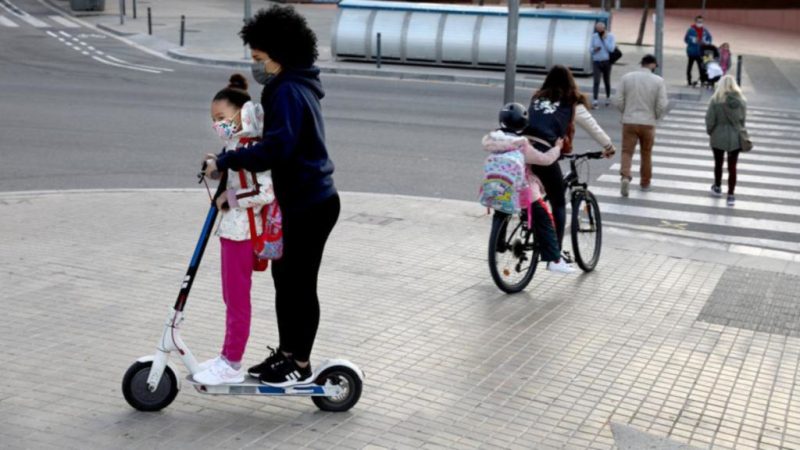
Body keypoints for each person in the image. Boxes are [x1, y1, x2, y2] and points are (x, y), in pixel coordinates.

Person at [202, 5, 339, 387]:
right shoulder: (292, 84)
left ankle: (301, 361)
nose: (256, 65)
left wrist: (229, 159)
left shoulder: (289, 91)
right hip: (303, 199)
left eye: (260, 58)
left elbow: (277, 148)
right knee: (286, 278)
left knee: (299, 283)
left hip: (311, 202)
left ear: (281, 54)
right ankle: (286, 353)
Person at [194, 74, 275, 385]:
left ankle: (231, 362)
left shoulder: (251, 147)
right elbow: (234, 179)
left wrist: (231, 197)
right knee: (230, 297)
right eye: (214, 119)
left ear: (242, 114)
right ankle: (226, 355)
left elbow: (265, 192)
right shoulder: (234, 144)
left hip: (244, 233)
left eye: (222, 118)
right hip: (231, 231)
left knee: (238, 300)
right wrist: (216, 167)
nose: (218, 124)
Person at [524, 65, 615, 261]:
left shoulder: (537, 97)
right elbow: (593, 127)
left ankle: (529, 222)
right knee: (558, 201)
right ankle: (554, 253)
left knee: (534, 191)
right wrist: (608, 146)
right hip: (544, 153)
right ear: (570, 81)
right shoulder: (571, 102)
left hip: (523, 151)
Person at [483, 103, 574, 274]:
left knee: (502, 210)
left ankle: (498, 243)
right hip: (522, 191)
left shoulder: (493, 140)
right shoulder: (521, 144)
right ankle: (554, 260)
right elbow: (545, 159)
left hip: (499, 189)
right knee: (545, 219)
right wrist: (557, 148)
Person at [614, 54, 668, 197]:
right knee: (646, 153)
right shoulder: (658, 81)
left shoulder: (627, 77)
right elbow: (662, 104)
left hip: (629, 121)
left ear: (642, 63)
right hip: (648, 122)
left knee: (627, 151)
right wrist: (654, 115)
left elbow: (618, 100)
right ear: (653, 65)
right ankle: (645, 182)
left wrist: (625, 112)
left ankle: (625, 176)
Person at [705, 75, 747, 207]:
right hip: (735, 136)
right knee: (732, 166)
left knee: (718, 163)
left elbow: (710, 120)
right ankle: (731, 195)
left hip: (718, 135)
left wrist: (710, 131)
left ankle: (717, 187)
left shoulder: (715, 100)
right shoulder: (742, 101)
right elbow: (742, 121)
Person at [589, 21, 615, 109]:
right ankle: (595, 100)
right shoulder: (594, 36)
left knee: (606, 80)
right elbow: (590, 49)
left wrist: (604, 40)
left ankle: (608, 97)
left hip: (606, 61)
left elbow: (611, 49)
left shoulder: (610, 36)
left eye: (600, 29)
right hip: (596, 61)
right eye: (597, 29)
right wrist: (594, 49)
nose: (599, 31)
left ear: (604, 29)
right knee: (596, 81)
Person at [685, 15, 713, 87]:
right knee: (689, 67)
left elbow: (710, 39)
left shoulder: (705, 30)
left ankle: (702, 81)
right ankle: (689, 81)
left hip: (700, 53)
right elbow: (686, 39)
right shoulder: (691, 30)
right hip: (691, 52)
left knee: (701, 68)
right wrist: (693, 40)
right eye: (698, 21)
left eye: (701, 21)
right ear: (695, 21)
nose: (699, 23)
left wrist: (707, 42)